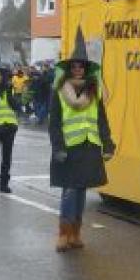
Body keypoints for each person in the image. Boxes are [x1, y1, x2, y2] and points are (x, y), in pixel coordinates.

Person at [49, 31, 115, 252]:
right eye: (74, 66)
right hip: (68, 148)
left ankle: (76, 233)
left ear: (86, 69)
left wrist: (108, 143)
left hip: (89, 146)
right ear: (69, 69)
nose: (78, 69)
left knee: (81, 190)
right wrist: (58, 147)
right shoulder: (59, 92)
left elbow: (102, 120)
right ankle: (63, 234)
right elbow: (54, 123)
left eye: (81, 66)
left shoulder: (94, 92)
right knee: (70, 191)